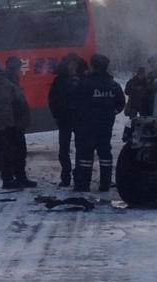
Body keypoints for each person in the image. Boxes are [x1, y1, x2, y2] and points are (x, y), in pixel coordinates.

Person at [74, 53, 125, 192]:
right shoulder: (113, 85)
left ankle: (83, 185)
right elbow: (121, 103)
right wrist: (110, 113)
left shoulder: (85, 83)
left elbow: (77, 102)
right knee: (105, 154)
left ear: (93, 66)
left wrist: (83, 117)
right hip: (106, 125)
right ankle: (105, 184)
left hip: (88, 126)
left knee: (85, 155)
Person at [0, 55, 36, 189]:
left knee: (19, 152)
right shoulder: (5, 83)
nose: (19, 71)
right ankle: (9, 179)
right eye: (18, 68)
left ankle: (20, 177)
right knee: (10, 153)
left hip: (16, 124)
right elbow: (5, 106)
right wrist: (9, 125)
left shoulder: (12, 81)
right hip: (10, 126)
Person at [48, 53, 87, 187]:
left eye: (74, 64)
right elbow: (52, 99)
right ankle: (65, 176)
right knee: (64, 149)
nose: (72, 66)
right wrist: (57, 114)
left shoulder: (83, 79)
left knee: (80, 148)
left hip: (79, 119)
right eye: (70, 64)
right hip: (64, 118)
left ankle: (78, 176)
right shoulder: (59, 81)